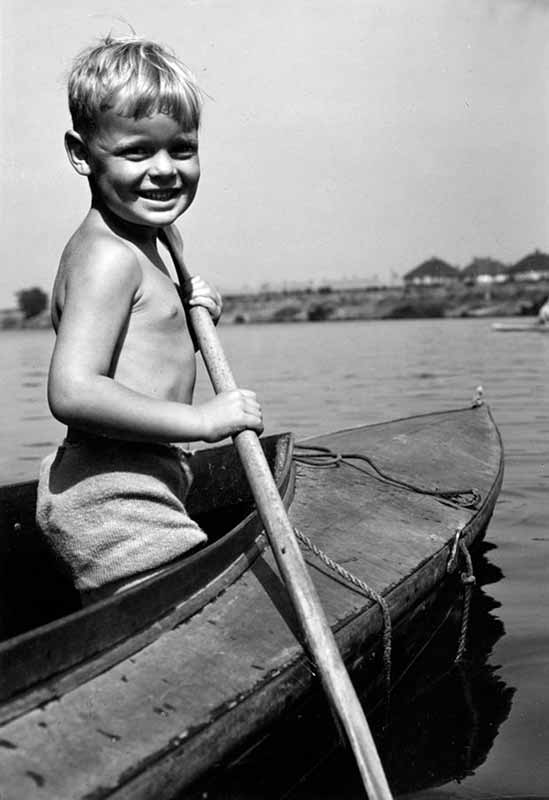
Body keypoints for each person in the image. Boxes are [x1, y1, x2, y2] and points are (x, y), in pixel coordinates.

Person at [36, 35, 263, 605]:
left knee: (162, 621)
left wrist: (193, 308)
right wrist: (205, 421)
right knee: (163, 628)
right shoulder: (108, 257)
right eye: (137, 152)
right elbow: (73, 391)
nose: (164, 171)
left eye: (181, 149)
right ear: (82, 153)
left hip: (150, 481)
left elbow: (148, 329)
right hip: (112, 497)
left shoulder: (158, 238)